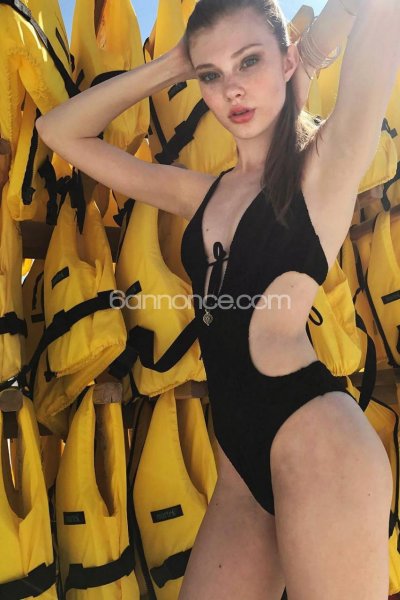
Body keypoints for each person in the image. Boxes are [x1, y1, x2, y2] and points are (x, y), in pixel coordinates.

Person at [36, 0, 400, 597]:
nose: (231, 88)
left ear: (285, 61)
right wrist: (171, 65)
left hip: (317, 447)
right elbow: (58, 132)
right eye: (212, 74)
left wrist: (315, 42)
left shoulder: (323, 168)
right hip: (237, 470)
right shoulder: (198, 193)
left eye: (249, 61)